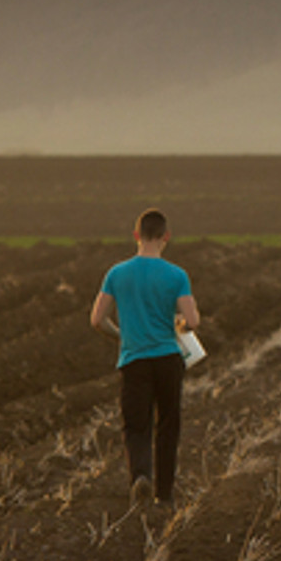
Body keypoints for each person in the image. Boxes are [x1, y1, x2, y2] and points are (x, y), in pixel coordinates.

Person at [90, 209, 200, 504]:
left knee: (136, 426)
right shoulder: (177, 275)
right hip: (168, 359)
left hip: (134, 360)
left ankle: (141, 476)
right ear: (166, 236)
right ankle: (164, 495)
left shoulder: (117, 273)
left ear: (136, 235)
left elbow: (97, 319)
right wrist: (178, 325)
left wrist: (121, 336)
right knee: (167, 425)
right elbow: (192, 321)